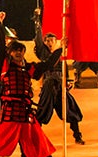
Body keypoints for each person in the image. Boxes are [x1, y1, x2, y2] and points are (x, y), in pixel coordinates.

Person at [0, 19, 58, 157]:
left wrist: (62, 50)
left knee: (44, 148)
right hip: (10, 113)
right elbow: (0, 46)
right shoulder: (4, 66)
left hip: (26, 114)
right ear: (10, 53)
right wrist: (0, 25)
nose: (18, 53)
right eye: (15, 50)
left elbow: (47, 64)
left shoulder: (29, 69)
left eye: (21, 50)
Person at [30, 12, 82, 145]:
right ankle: (36, 138)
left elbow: (65, 69)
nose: (49, 42)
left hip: (60, 86)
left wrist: (68, 82)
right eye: (47, 40)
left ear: (55, 41)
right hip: (48, 86)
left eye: (51, 40)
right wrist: (37, 21)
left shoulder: (61, 56)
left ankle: (77, 135)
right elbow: (38, 38)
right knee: (41, 112)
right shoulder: (43, 53)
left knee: (71, 110)